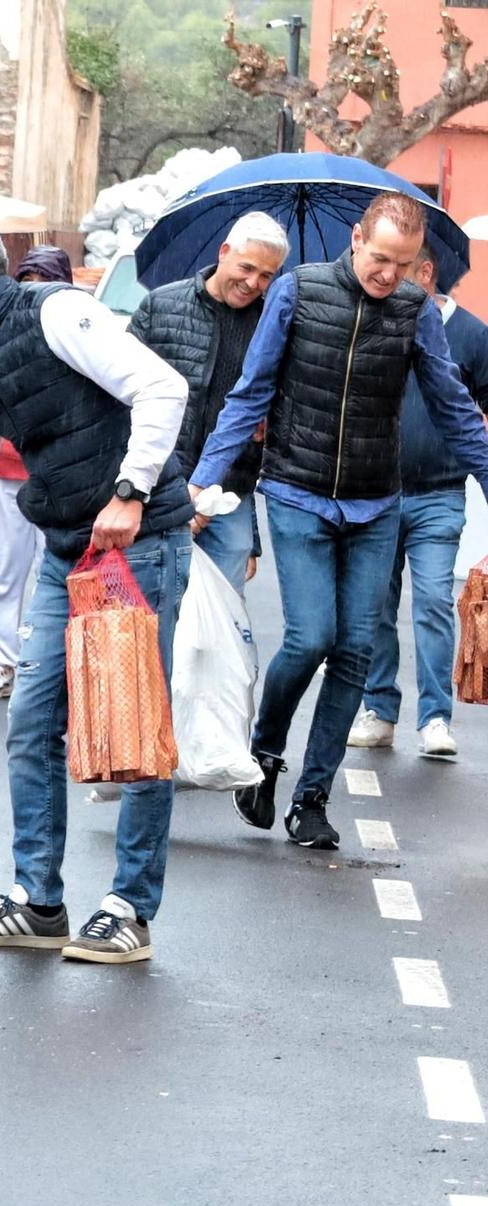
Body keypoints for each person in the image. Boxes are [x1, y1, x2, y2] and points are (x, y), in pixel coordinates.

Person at [0, 217, 194, 965]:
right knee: (30, 722)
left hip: (138, 543)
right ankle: (38, 900)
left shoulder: (56, 311)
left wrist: (130, 490)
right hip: (65, 548)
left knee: (133, 729)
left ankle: (128, 907)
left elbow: (162, 385)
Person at [194, 193, 488, 849]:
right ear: (356, 240)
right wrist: (204, 480)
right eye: (380, 258)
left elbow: (456, 410)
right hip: (297, 491)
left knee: (355, 648)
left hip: (375, 501)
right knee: (310, 636)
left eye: (403, 264)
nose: (388, 275)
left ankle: (313, 798)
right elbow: (251, 393)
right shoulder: (297, 291)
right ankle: (266, 752)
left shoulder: (414, 313)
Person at [349, 245, 488, 761]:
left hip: (439, 494)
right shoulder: (375, 320)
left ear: (426, 273)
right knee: (376, 606)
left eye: (402, 271)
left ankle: (434, 718)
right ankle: (380, 711)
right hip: (376, 494)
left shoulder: (472, 335)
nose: (387, 279)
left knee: (431, 601)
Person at [128, 211, 290, 593]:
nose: (253, 283)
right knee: (156, 603)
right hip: (160, 481)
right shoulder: (160, 307)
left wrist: (250, 535)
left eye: (267, 275)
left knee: (221, 619)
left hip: (230, 493)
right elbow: (119, 394)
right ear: (224, 252)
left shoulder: (273, 323)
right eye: (247, 267)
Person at [0, 245, 66, 700]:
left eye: (48, 285)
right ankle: (1, 661)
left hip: (58, 476)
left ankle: (52, 667)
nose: (37, 295)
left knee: (56, 573)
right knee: (3, 570)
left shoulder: (73, 331)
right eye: (29, 284)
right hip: (4, 473)